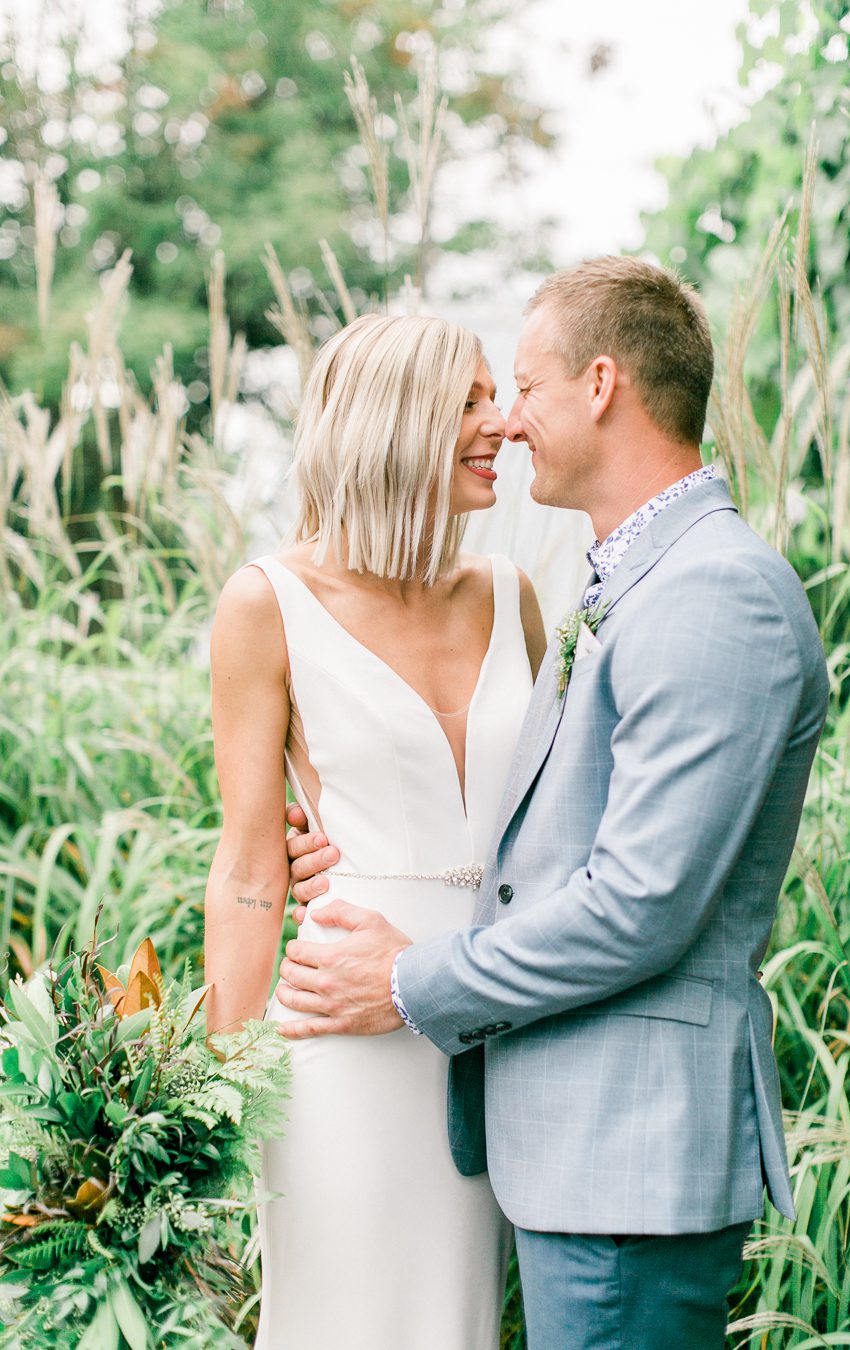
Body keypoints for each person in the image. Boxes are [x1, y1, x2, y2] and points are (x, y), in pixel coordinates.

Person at [276, 257, 830, 1350]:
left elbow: (638, 907)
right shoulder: (621, 582)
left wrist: (402, 978)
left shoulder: (714, 591)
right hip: (568, 1146)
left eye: (522, 387)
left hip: (630, 1150)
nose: (511, 422)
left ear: (602, 384)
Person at [203, 312, 546, 1350]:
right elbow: (253, 871)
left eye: (500, 397)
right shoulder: (267, 603)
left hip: (490, 1020)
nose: (505, 424)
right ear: (397, 421)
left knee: (457, 1320)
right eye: (474, 400)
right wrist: (214, 1103)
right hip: (339, 1033)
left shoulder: (513, 596)